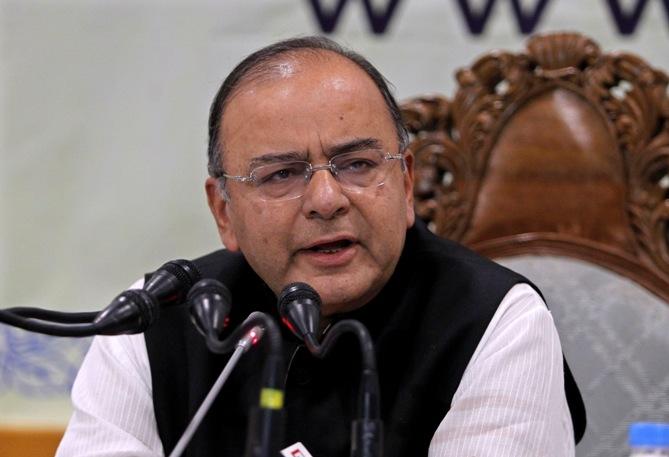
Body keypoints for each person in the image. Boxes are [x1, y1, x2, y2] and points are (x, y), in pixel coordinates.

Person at [56, 36, 585, 457]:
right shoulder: (156, 322)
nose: (326, 199)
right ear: (224, 212)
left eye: (357, 164)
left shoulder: (495, 321)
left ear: (405, 183)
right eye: (281, 174)